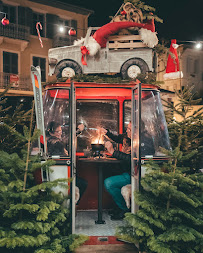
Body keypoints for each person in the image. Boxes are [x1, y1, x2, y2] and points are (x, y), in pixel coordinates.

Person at [98, 121, 155, 220]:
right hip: (128, 172)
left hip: (137, 175)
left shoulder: (144, 143)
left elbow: (132, 160)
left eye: (129, 129)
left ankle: (125, 210)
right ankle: (119, 207)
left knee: (109, 183)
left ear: (137, 131)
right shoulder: (128, 138)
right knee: (108, 174)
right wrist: (106, 132)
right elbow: (118, 138)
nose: (126, 130)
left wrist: (113, 152)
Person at [46, 121, 87, 203]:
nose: (59, 133)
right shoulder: (53, 141)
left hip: (61, 172)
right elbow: (67, 140)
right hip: (60, 173)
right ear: (50, 132)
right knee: (83, 183)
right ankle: (74, 205)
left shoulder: (54, 140)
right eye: (57, 132)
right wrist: (78, 130)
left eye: (60, 131)